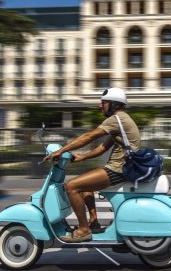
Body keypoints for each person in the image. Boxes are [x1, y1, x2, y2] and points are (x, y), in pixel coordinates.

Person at [43, 87, 140, 243]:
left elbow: (88, 136)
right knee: (85, 185)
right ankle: (93, 222)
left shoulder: (116, 120)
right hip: (120, 167)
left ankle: (83, 230)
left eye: (104, 103)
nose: (100, 106)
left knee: (72, 186)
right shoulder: (121, 121)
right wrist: (83, 156)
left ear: (113, 104)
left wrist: (61, 151)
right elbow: (102, 147)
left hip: (118, 169)